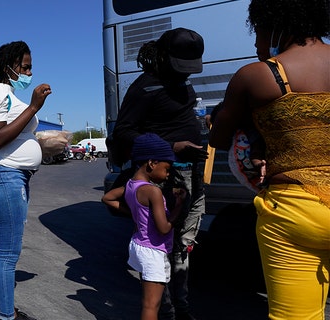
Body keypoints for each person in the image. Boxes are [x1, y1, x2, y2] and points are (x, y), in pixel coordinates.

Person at [209, 0, 330, 318]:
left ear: (275, 24)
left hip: (293, 212)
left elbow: (219, 139)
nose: (256, 44)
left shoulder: (256, 77)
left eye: (258, 32)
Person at [111, 28, 209, 320]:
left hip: (191, 175)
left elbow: (178, 117)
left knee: (183, 248)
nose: (184, 75)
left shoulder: (181, 83)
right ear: (164, 57)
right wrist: (172, 146)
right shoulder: (145, 87)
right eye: (180, 67)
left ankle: (182, 307)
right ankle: (165, 312)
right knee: (161, 248)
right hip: (165, 180)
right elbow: (124, 132)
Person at [0, 40, 52, 320]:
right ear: (8, 66)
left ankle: (8, 312)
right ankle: (6, 317)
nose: (29, 73)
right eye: (25, 67)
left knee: (10, 251)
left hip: (15, 176)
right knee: (8, 254)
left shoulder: (9, 94)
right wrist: (34, 107)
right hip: (3, 174)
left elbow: (16, 132)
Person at [123, 133, 186, 320]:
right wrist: (180, 205)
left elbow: (107, 198)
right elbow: (164, 228)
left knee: (149, 301)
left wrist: (137, 217)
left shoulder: (131, 185)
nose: (168, 174)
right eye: (167, 168)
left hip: (139, 245)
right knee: (151, 305)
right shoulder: (153, 191)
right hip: (153, 250)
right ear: (151, 163)